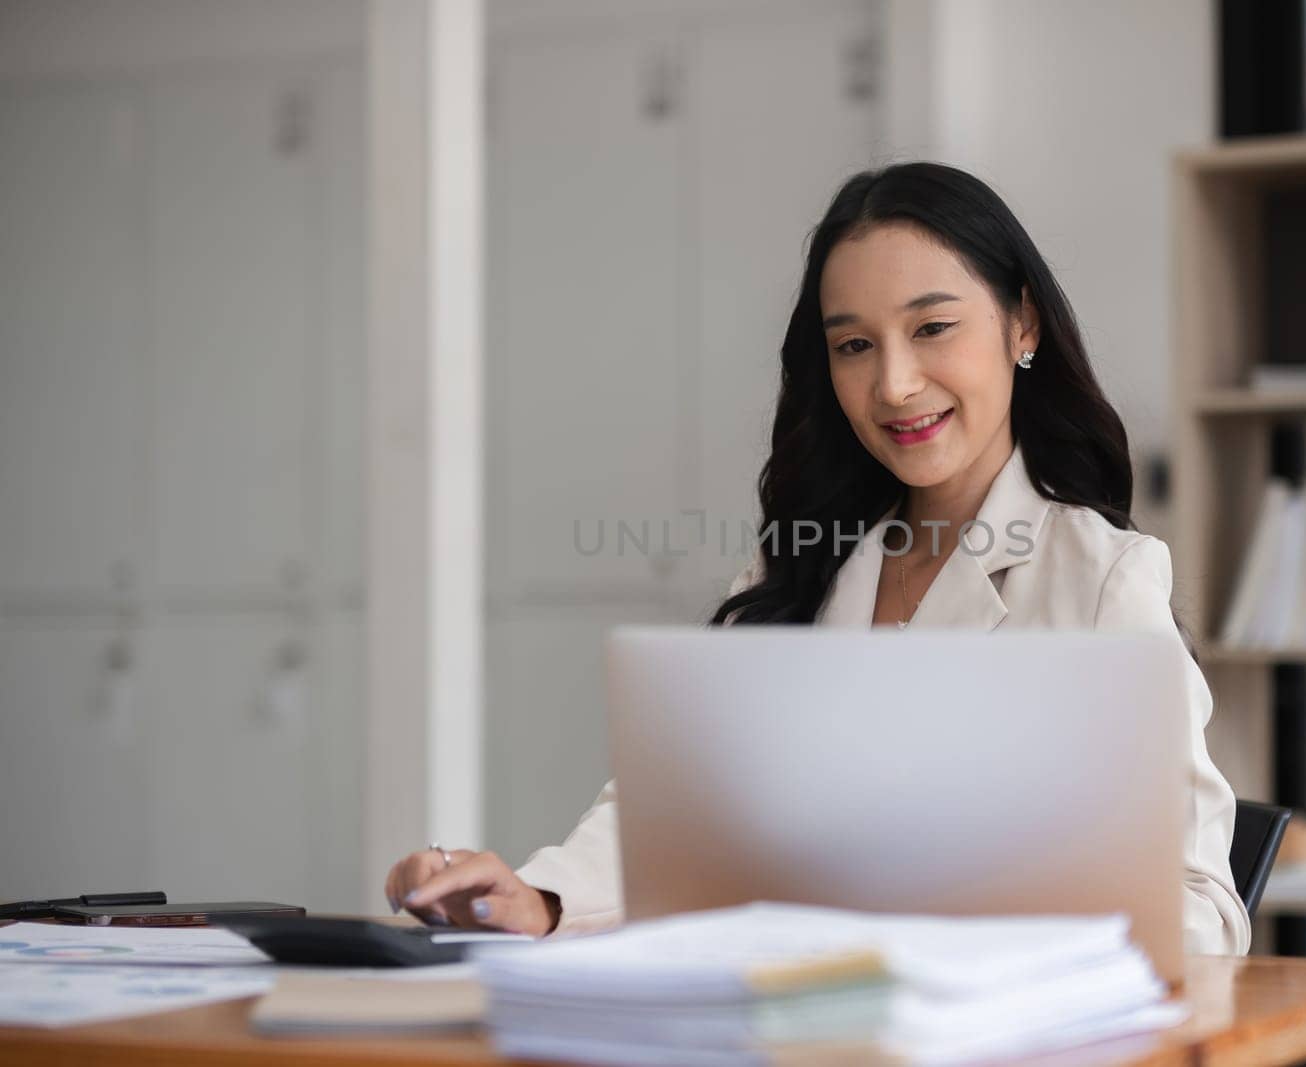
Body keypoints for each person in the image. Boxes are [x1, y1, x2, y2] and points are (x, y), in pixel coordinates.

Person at [386, 162, 1252, 955]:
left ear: (1021, 322)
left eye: (933, 327)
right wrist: (536, 899)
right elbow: (678, 814)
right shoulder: (796, 567)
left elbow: (1202, 909)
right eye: (854, 345)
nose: (895, 385)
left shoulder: (1102, 578)